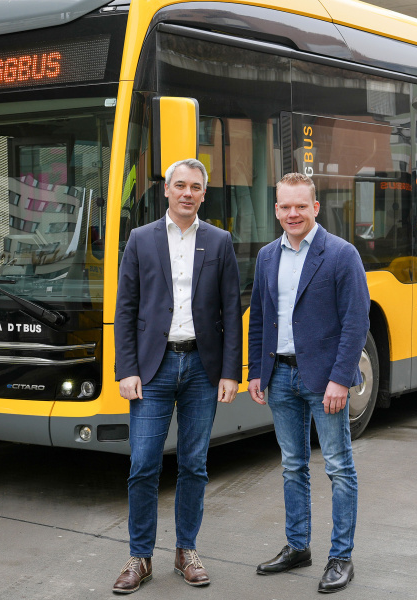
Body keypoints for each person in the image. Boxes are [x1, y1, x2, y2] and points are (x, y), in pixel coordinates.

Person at [113, 158, 242, 594]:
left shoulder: (220, 242)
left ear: (205, 194)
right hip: (153, 369)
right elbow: (125, 309)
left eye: (196, 187)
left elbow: (231, 311)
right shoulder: (141, 239)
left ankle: (186, 550)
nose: (187, 193)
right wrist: (126, 368)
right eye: (180, 186)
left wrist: (230, 372)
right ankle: (139, 557)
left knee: (194, 465)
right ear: (166, 190)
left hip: (203, 370)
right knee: (143, 464)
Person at [247, 172, 370, 594]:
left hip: (324, 382)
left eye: (301, 205)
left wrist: (340, 379)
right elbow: (259, 317)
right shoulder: (267, 256)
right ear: (276, 209)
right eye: (285, 206)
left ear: (315, 208)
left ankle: (341, 557)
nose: (292, 213)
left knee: (339, 467)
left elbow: (356, 322)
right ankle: (298, 546)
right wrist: (255, 372)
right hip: (279, 375)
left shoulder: (341, 254)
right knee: (292, 465)